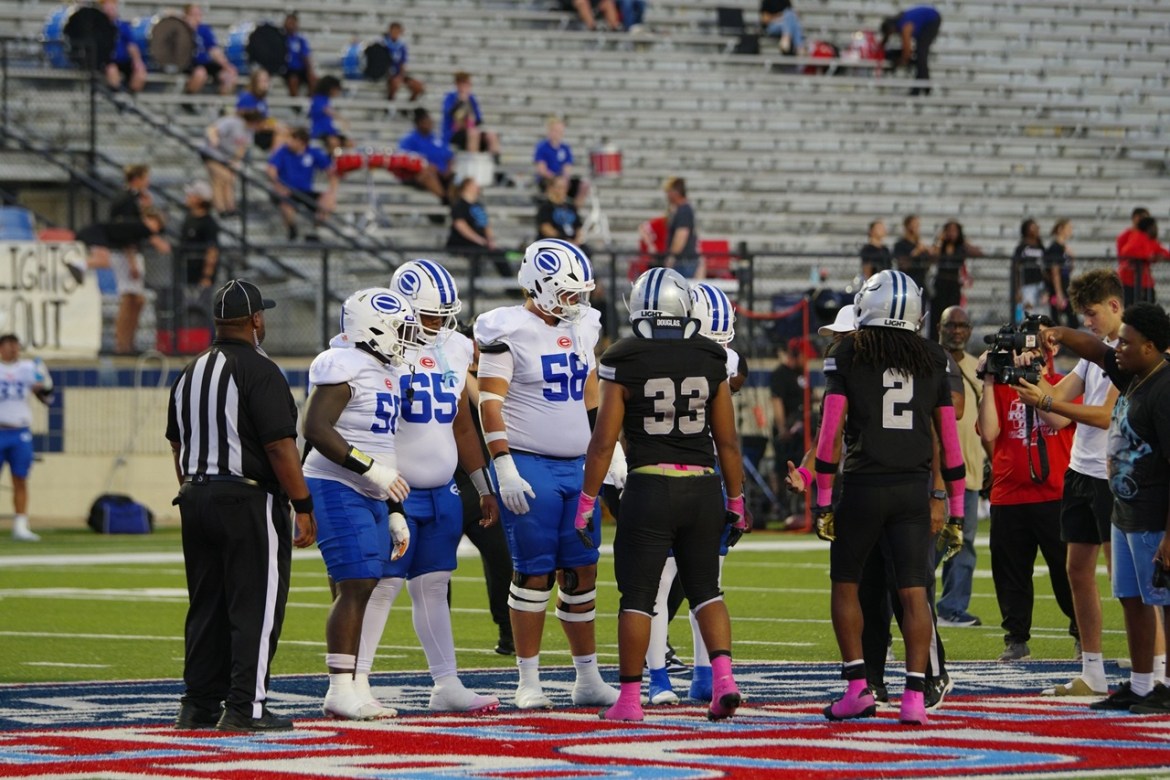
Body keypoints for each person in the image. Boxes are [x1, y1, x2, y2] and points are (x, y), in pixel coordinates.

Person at [574, 267, 746, 722]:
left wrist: (588, 500)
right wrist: (737, 500)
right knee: (707, 589)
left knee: (638, 596)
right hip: (703, 484)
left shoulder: (622, 356)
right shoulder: (712, 356)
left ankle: (631, 701)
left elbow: (603, 441)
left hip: (650, 484)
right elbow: (728, 441)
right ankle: (724, 679)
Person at [813, 268, 966, 726]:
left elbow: (829, 435)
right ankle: (915, 696)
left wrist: (823, 498)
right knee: (914, 594)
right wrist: (955, 509)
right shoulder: (934, 357)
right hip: (911, 492)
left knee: (847, 585)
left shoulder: (848, 353)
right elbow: (950, 443)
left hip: (863, 486)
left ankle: (858, 688)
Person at [473, 238, 618, 710]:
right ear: (540, 286)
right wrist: (504, 464)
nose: (579, 302)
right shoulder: (508, 328)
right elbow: (490, 401)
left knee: (582, 571)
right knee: (533, 573)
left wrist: (609, 450)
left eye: (581, 293)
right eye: (569, 293)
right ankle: (529, 680)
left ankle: (587, 677)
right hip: (530, 462)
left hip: (578, 465)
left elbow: (591, 392)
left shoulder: (584, 326)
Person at [167, 279, 317, 732]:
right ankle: (245, 708)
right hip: (248, 498)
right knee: (256, 604)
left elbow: (177, 443)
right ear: (255, 320)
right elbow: (279, 446)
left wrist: (199, 489)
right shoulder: (260, 370)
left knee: (207, 605)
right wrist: (303, 503)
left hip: (194, 494)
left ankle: (197, 706)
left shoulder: (191, 370)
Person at [353, 262, 502, 715]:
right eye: (430, 315)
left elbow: (461, 425)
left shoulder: (456, 347)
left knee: (434, 586)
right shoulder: (380, 348)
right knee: (383, 586)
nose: (439, 325)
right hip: (395, 486)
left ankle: (447, 682)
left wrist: (483, 483)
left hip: (444, 490)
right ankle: (353, 682)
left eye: (444, 315)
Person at [1040, 304, 1170, 713]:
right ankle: (1140, 683)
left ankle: (1165, 684)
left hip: (1153, 512)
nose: (1119, 350)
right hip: (1125, 508)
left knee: (1162, 602)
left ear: (1150, 347)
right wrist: (1058, 332)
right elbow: (1097, 351)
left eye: (1127, 343)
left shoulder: (1164, 389)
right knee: (1132, 598)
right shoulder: (1134, 373)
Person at [302, 287, 419, 719]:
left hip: (370, 489)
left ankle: (353, 684)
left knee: (358, 585)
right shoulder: (345, 365)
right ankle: (339, 689)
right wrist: (371, 470)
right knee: (357, 584)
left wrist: (393, 509)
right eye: (401, 329)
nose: (406, 338)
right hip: (337, 484)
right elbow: (315, 428)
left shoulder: (383, 368)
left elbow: (381, 440)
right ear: (375, 328)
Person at [1011, 270, 1121, 696]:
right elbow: (1055, 412)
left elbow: (1105, 414)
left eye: (1091, 314)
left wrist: (1049, 399)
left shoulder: (1127, 351)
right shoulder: (1093, 357)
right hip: (1081, 471)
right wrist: (1025, 372)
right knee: (1077, 571)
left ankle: (1157, 670)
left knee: (1125, 580)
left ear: (1114, 306)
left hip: (1113, 473)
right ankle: (1092, 671)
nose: (1088, 323)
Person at [977, 316, 1078, 662]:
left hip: (1056, 493)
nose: (1032, 347)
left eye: (1041, 340)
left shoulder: (1065, 383)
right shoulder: (1005, 385)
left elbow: (1058, 419)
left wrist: (1037, 379)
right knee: (1011, 574)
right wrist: (990, 381)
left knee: (1066, 572)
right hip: (1009, 493)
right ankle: (1015, 638)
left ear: (1055, 345)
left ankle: (1081, 631)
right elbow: (989, 433)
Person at [935, 306, 988, 628]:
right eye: (950, 324)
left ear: (970, 330)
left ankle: (952, 608)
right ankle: (915, 602)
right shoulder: (930, 361)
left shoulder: (977, 366)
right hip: (937, 471)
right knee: (931, 543)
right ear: (939, 327)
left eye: (962, 325)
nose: (957, 330)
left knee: (964, 543)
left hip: (970, 469)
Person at [0, 335, 53, 542]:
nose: (14, 350)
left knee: (20, 479)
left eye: (16, 346)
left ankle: (20, 525)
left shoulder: (28, 368)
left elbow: (48, 399)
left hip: (19, 431)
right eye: (9, 346)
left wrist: (45, 383)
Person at [266, 127, 338, 242]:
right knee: (286, 203)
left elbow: (332, 172)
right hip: (286, 190)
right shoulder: (283, 151)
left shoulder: (313, 153)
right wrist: (278, 185)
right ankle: (292, 230)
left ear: (301, 142)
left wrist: (332, 191)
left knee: (328, 202)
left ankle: (314, 231)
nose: (288, 141)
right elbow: (271, 170)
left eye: (292, 139)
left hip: (304, 191)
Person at [174, 181, 219, 340]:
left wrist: (206, 275)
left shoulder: (209, 223)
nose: (188, 197)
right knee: (184, 308)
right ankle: (186, 341)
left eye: (192, 195)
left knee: (203, 308)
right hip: (186, 273)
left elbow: (212, 250)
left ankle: (207, 341)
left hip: (199, 275)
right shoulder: (188, 219)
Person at [202, 109, 264, 216]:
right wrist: (214, 139)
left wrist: (235, 161)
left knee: (229, 179)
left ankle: (230, 208)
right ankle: (221, 209)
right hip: (211, 154)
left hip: (226, 158)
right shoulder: (233, 122)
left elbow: (242, 147)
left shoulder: (249, 131)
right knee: (222, 178)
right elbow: (212, 129)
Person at [930, 220, 981, 340]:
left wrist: (964, 242)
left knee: (954, 313)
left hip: (953, 283)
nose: (952, 234)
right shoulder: (940, 245)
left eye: (955, 231)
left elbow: (978, 253)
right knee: (937, 313)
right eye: (949, 231)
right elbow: (933, 257)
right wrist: (940, 240)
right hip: (941, 282)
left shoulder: (961, 247)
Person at [397, 108, 455, 206]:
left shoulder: (436, 139)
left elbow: (449, 156)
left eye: (430, 122)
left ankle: (454, 201)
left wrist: (448, 170)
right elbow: (405, 159)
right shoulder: (409, 140)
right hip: (418, 175)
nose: (429, 124)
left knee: (457, 178)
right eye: (426, 122)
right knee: (428, 174)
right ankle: (445, 199)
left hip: (441, 174)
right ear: (418, 124)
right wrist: (425, 165)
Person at [880, 5, 941, 96]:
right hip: (930, 19)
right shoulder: (901, 22)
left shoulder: (904, 27)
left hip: (932, 20)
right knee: (920, 55)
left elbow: (907, 50)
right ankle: (923, 86)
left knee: (921, 54)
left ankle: (924, 87)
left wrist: (903, 60)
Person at [182, 4, 238, 97]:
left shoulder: (204, 29)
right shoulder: (181, 29)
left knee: (229, 75)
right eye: (193, 14)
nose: (196, 17)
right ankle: (188, 98)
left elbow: (213, 49)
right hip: (188, 63)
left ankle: (222, 105)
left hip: (205, 62)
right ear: (186, 16)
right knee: (200, 73)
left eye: (199, 14)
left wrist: (226, 66)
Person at [441, 72, 501, 158]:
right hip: (454, 133)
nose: (467, 87)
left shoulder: (471, 99)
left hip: (470, 130)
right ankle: (473, 162)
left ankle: (494, 162)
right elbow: (452, 115)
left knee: (492, 134)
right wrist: (461, 102)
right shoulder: (450, 98)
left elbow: (479, 120)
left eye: (468, 84)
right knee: (473, 134)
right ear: (458, 84)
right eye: (464, 84)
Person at [533, 116, 586, 207]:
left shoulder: (565, 148)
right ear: (550, 131)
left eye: (560, 130)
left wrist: (564, 178)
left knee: (584, 185)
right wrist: (556, 178)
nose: (558, 133)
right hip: (547, 179)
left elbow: (567, 168)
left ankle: (574, 209)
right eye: (556, 130)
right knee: (557, 183)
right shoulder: (542, 147)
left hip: (561, 179)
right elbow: (542, 170)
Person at [1117, 215, 1169, 307]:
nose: (1156, 229)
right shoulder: (1138, 237)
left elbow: (1163, 252)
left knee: (1148, 305)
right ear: (1149, 228)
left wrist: (1158, 256)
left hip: (1144, 282)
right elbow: (1127, 251)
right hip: (1130, 281)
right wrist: (1149, 257)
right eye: (1154, 226)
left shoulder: (1151, 240)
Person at [101, 0, 146, 94]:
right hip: (107, 62)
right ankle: (116, 93)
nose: (110, 10)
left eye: (112, 7)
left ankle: (131, 94)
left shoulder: (122, 26)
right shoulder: (99, 27)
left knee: (140, 73)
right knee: (112, 70)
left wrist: (137, 61)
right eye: (107, 8)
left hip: (124, 61)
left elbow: (131, 45)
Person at [663, 177, 701, 279]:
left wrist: (672, 256)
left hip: (683, 262)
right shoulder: (683, 209)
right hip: (685, 261)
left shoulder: (684, 211)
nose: (667, 196)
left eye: (669, 192)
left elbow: (681, 236)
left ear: (676, 192)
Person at [1013, 219, 1047, 321]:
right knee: (1029, 311)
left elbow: (1045, 266)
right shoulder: (1022, 247)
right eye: (1033, 227)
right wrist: (1017, 289)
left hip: (1040, 283)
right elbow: (1016, 269)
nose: (1036, 230)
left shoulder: (1041, 247)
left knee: (1041, 311)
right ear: (1026, 230)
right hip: (1027, 284)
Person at [1045, 219, 1076, 327]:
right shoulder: (1055, 247)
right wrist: (1059, 293)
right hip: (1058, 289)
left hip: (1065, 285)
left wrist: (1072, 258)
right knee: (1061, 319)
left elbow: (1069, 269)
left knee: (1071, 319)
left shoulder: (1064, 248)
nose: (1070, 231)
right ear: (1060, 229)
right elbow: (1055, 271)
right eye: (1068, 228)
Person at [384, 22, 425, 102]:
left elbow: (403, 63)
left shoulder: (402, 46)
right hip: (387, 75)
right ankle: (389, 103)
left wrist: (401, 76)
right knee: (394, 83)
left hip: (398, 74)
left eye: (397, 31)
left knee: (419, 87)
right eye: (394, 31)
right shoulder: (383, 44)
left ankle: (409, 105)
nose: (395, 34)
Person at [536, 177, 583, 245]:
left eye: (565, 187)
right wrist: (564, 240)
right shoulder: (545, 207)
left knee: (587, 251)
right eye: (560, 187)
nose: (563, 190)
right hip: (554, 243)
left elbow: (578, 227)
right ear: (552, 188)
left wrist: (577, 240)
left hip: (572, 242)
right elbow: (546, 228)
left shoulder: (571, 207)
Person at [309, 76, 346, 154]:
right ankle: (331, 163)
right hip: (320, 132)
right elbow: (326, 110)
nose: (338, 92)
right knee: (334, 142)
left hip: (330, 131)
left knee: (349, 143)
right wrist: (341, 119)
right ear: (331, 89)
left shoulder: (327, 100)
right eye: (337, 89)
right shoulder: (318, 98)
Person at [281, 11, 315, 97]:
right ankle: (296, 105)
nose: (291, 25)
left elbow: (306, 56)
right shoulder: (280, 38)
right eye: (289, 22)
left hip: (300, 69)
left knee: (313, 79)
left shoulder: (300, 40)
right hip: (287, 70)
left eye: (293, 23)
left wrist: (310, 71)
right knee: (293, 80)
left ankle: (309, 100)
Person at [893, 214, 932, 289]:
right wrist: (915, 252)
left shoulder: (920, 244)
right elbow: (903, 264)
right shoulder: (900, 245)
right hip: (907, 283)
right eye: (914, 224)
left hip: (921, 283)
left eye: (917, 224)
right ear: (907, 226)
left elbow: (928, 264)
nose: (916, 227)